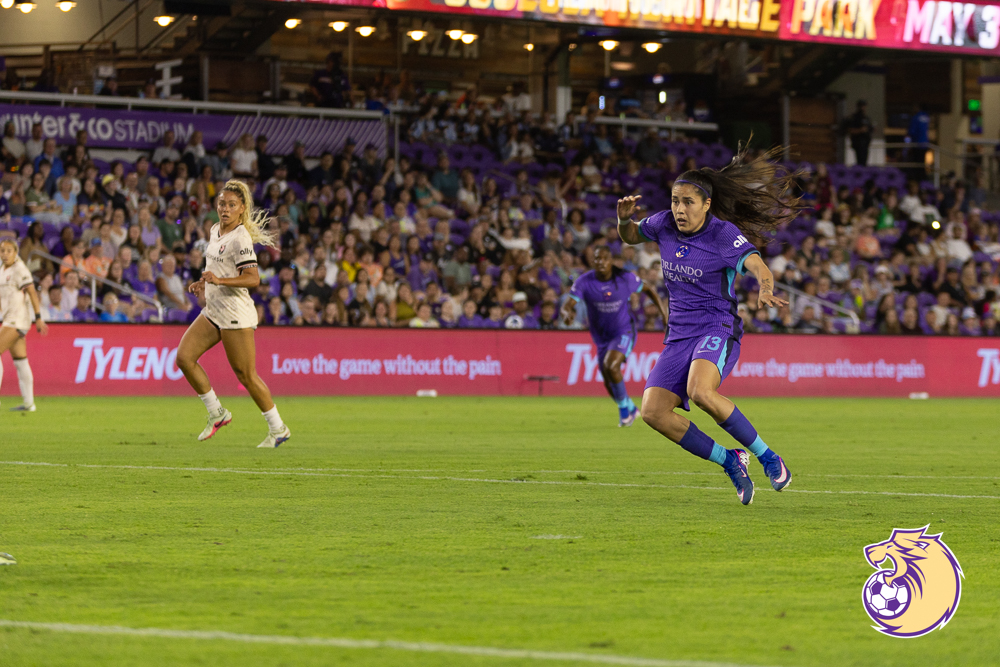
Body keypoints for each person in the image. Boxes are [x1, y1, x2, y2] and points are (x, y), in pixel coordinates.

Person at [616, 145, 798, 505]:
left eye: (688, 202)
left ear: (707, 204)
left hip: (717, 327)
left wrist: (765, 288)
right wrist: (623, 221)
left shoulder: (722, 234)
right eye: (675, 201)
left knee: (700, 392)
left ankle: (768, 457)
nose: (679, 209)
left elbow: (758, 265)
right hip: (679, 335)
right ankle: (729, 460)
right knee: (652, 411)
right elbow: (632, 235)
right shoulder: (664, 224)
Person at [177, 180, 291, 448]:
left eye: (231, 205)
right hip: (214, 310)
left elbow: (252, 278)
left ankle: (278, 428)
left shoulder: (240, 238)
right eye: (221, 204)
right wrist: (204, 282)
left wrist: (219, 281)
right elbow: (216, 268)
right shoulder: (215, 230)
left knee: (246, 375)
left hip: (235, 314)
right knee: (184, 358)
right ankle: (217, 413)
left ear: (242, 209)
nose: (225, 209)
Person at [562, 245, 667, 427]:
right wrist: (567, 314)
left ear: (610, 261)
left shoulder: (625, 278)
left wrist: (664, 315)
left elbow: (649, 289)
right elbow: (567, 305)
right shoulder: (584, 281)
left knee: (611, 365)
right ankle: (630, 408)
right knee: (608, 379)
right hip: (601, 337)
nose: (601, 262)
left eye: (604, 258)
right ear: (593, 261)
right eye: (597, 258)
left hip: (623, 331)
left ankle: (624, 413)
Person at [0, 239, 48, 412]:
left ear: (16, 252)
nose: (5, 254)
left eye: (9, 251)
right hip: (9, 319)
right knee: (20, 361)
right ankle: (29, 404)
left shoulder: (20, 269)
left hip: (17, 320)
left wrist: (38, 317)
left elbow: (32, 292)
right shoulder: (2, 269)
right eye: (2, 251)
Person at [845, 100, 874, 167]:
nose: (863, 108)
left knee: (864, 161)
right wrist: (860, 130)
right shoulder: (854, 118)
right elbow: (850, 130)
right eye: (862, 106)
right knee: (860, 161)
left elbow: (869, 128)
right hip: (858, 142)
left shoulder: (866, 118)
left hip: (866, 143)